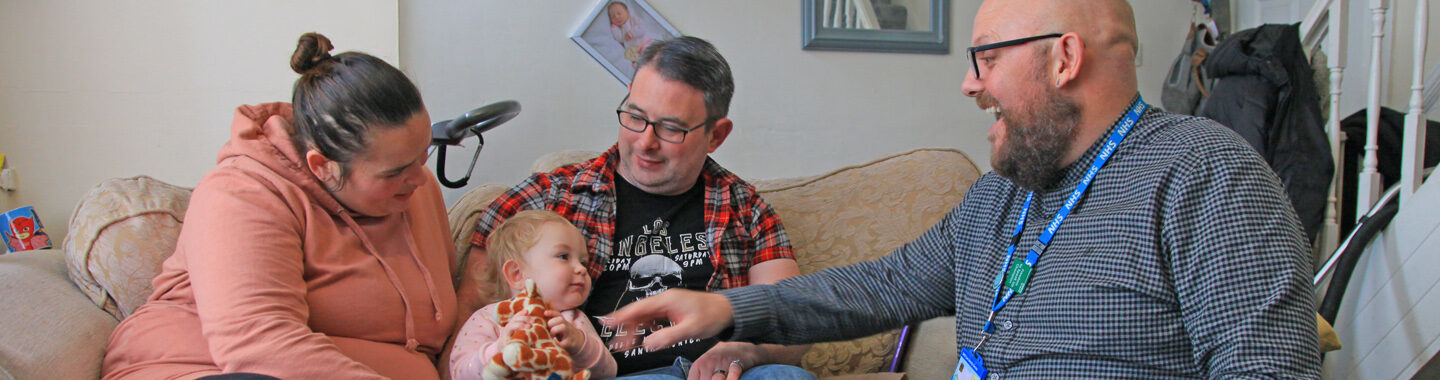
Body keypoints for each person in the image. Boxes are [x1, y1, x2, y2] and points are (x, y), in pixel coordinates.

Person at [604, 1, 1323, 378]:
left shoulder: (1207, 174)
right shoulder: (1001, 197)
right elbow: (877, 287)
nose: (970, 83)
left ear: (1063, 57)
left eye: (985, 59)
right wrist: (726, 307)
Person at [102, 33, 456, 380]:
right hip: (204, 369)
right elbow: (257, 346)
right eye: (395, 171)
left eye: (423, 152)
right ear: (323, 167)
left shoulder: (416, 190)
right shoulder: (241, 193)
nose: (420, 177)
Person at [460, 37, 816, 380]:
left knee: (787, 376)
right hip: (617, 374)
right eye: (635, 117)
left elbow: (791, 326)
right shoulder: (545, 198)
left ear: (716, 136)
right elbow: (468, 324)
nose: (646, 142)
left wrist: (744, 351)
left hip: (729, 373)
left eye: (670, 128)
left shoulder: (749, 211)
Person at [450, 210, 617, 380]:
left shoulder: (573, 320)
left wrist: (580, 346)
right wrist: (499, 350)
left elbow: (609, 372)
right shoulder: (487, 319)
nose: (581, 269)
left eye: (583, 262)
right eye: (564, 256)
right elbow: (458, 373)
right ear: (517, 274)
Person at [608, 1, 654, 73]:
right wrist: (614, 29)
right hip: (634, 50)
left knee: (649, 53)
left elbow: (642, 28)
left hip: (644, 43)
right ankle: (641, 65)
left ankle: (651, 62)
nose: (616, 17)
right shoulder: (620, 29)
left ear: (627, 12)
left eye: (619, 13)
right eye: (613, 16)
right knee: (631, 57)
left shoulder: (634, 19)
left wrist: (632, 33)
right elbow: (620, 39)